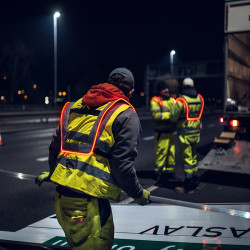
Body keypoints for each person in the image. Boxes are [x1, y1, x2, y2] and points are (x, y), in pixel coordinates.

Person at [35, 67, 150, 250]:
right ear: (131, 91)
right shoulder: (126, 114)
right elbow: (122, 167)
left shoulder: (74, 106)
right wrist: (137, 193)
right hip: (89, 205)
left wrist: (53, 172)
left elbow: (55, 148)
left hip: (62, 199)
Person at [170, 77, 204, 194]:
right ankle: (195, 182)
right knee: (193, 159)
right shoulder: (199, 98)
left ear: (183, 86)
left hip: (185, 134)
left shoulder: (181, 100)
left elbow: (173, 117)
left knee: (187, 160)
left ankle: (188, 186)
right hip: (196, 133)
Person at [150, 81, 177, 181]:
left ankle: (169, 173)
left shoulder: (171, 100)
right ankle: (158, 173)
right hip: (161, 132)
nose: (167, 90)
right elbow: (156, 115)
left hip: (170, 131)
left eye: (167, 88)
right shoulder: (155, 101)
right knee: (161, 153)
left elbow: (177, 110)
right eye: (164, 89)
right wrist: (171, 116)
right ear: (159, 90)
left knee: (171, 153)